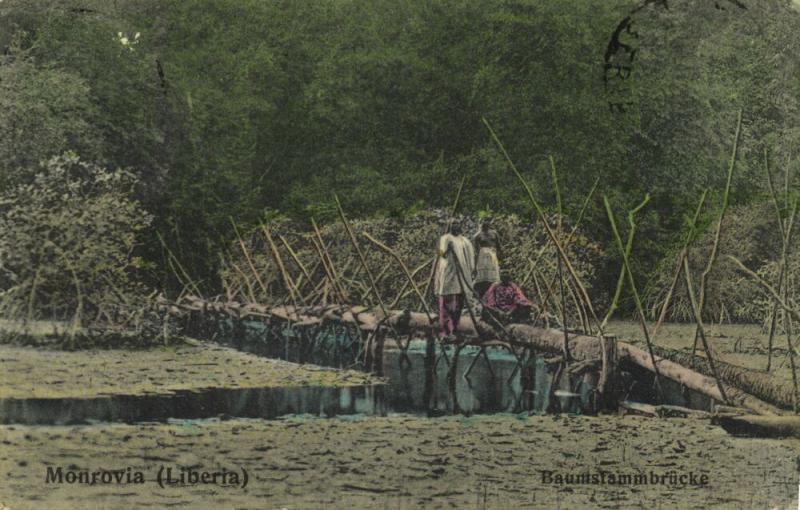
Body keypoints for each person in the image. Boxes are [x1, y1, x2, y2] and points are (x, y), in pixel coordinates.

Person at [434, 222, 475, 339]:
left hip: (462, 275)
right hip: (449, 273)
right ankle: (445, 332)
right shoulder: (445, 238)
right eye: (453, 225)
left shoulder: (465, 241)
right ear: (450, 227)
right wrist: (446, 249)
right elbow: (441, 254)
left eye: (458, 224)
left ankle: (455, 330)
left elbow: (470, 259)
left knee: (458, 304)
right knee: (447, 303)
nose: (456, 226)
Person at [473, 217, 501, 298]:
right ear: (481, 222)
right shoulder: (477, 235)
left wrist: (496, 254)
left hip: (492, 256)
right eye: (484, 221)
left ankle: (493, 294)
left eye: (487, 221)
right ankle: (483, 295)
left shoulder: (494, 234)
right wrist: (475, 265)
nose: (485, 223)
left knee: (493, 277)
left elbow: (499, 247)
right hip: (482, 258)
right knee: (483, 278)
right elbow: (476, 251)